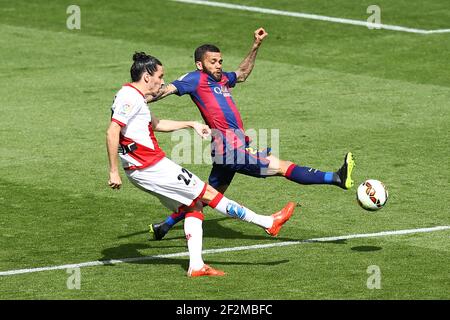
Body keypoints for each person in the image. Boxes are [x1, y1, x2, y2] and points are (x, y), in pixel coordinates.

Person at [147, 27, 355, 241]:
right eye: (213, 62)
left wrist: (256, 46)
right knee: (283, 166)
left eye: (220, 61)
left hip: (226, 149)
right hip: (231, 150)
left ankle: (164, 226)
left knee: (207, 195)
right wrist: (140, 98)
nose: (218, 66)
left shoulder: (222, 80)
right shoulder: (194, 79)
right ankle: (336, 178)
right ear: (200, 65)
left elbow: (243, 73)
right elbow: (167, 89)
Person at [106, 52, 296, 277]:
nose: (162, 81)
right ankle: (267, 222)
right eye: (160, 76)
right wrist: (113, 171)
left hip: (142, 168)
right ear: (147, 76)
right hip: (150, 166)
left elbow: (155, 124)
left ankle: (196, 266)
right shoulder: (129, 96)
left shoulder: (135, 97)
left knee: (193, 207)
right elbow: (112, 131)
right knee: (208, 194)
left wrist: (190, 124)